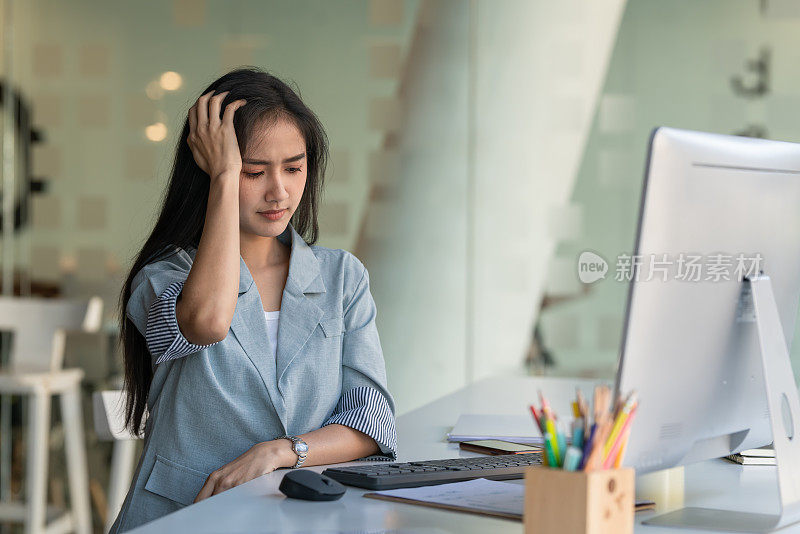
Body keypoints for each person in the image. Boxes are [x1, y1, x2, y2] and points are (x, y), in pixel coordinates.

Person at [110, 68, 396, 532]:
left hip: (298, 518)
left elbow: (371, 421)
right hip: (181, 517)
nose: (278, 191)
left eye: (294, 167)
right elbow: (206, 322)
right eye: (254, 171)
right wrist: (223, 177)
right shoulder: (162, 277)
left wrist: (279, 451)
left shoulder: (342, 277)